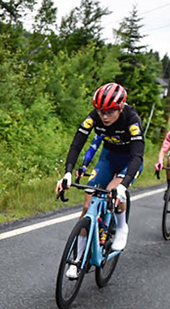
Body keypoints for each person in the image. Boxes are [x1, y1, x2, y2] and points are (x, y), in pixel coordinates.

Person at [56, 83, 144, 266]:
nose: (104, 116)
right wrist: (68, 173)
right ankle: (77, 259)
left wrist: (123, 185)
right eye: (100, 111)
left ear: (120, 107)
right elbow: (77, 144)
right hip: (109, 157)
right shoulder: (94, 116)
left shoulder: (132, 119)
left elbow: (137, 156)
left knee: (113, 191)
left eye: (109, 112)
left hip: (129, 161)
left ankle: (121, 227)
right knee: (88, 206)